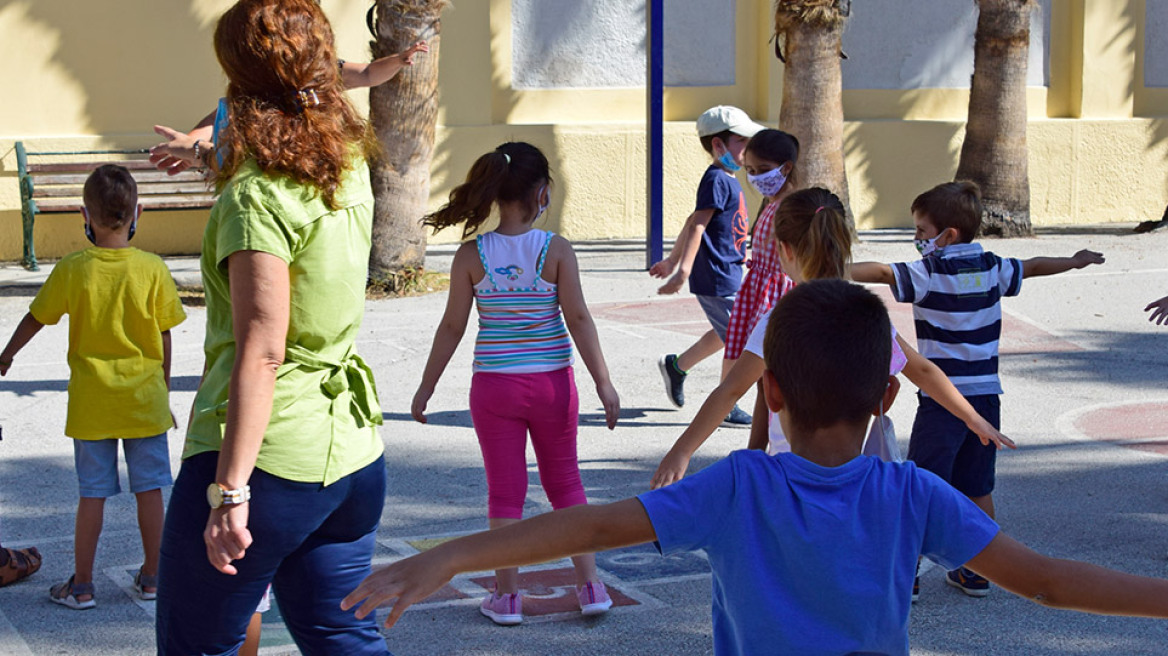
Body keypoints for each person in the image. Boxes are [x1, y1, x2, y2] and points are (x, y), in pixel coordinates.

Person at [343, 279, 1168, 655]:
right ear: (887, 396)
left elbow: (591, 527)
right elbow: (1049, 583)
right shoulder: (914, 492)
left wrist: (451, 555)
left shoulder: (738, 488)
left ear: (770, 393)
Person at [153, 1, 389, 653]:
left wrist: (229, 492)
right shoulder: (346, 163)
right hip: (351, 450)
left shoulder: (256, 195)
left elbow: (262, 350)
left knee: (197, 644)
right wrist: (207, 156)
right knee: (341, 633)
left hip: (270, 458)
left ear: (239, 80)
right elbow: (285, 168)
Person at [650, 188, 1014, 498]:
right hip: (850, 474)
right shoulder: (868, 313)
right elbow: (922, 370)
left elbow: (731, 390)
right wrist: (973, 418)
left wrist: (682, 452)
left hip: (791, 475)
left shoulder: (781, 319)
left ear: (785, 250)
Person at [850, 181, 1105, 598]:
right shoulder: (992, 267)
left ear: (947, 234)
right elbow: (1033, 266)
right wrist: (1074, 261)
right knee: (977, 486)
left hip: (943, 400)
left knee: (921, 485)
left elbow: (880, 273)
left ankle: (907, 573)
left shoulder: (929, 272)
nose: (917, 239)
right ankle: (977, 571)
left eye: (921, 230)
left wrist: (830, 268)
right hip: (986, 397)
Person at [410, 141, 621, 625]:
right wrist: (604, 383)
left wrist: (426, 387)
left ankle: (507, 598)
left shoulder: (471, 255)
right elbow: (579, 318)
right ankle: (591, 587)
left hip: (494, 388)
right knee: (565, 483)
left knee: (504, 492)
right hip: (552, 385)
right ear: (542, 192)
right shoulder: (556, 250)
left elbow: (452, 327)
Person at [0, 165, 185, 610]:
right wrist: (162, 388)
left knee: (92, 495)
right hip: (143, 402)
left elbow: (37, 317)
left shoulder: (74, 269)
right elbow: (164, 335)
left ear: (85, 216)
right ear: (137, 213)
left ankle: (81, 586)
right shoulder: (152, 269)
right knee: (150, 492)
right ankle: (153, 577)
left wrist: (6, 355)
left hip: (92, 405)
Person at [149, 40, 428, 174]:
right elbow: (217, 119)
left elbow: (367, 73)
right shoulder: (254, 85)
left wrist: (397, 60)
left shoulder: (319, 74)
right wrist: (189, 144)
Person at [650, 105, 762, 426]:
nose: (747, 149)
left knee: (727, 331)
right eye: (741, 142)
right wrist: (681, 270)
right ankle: (727, 404)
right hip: (716, 276)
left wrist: (672, 258)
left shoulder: (728, 179)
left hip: (730, 271)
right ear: (718, 144)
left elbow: (693, 221)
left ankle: (677, 367)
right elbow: (698, 225)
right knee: (738, 340)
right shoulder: (716, 179)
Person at [721, 129, 799, 366]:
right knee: (752, 365)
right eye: (751, 171)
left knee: (767, 362)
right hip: (758, 290)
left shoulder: (791, 207)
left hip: (777, 295)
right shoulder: (772, 203)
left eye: (764, 170)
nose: (756, 178)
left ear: (786, 167)